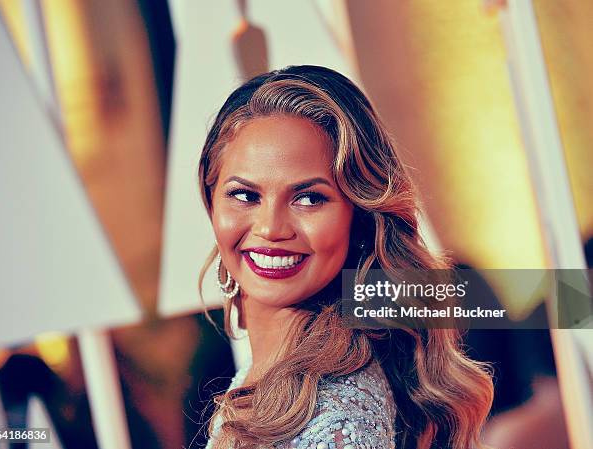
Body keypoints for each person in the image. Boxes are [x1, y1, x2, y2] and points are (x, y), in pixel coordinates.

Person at [197, 65, 493, 449]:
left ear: (360, 218)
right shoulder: (273, 375)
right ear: (211, 200)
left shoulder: (338, 419)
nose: (271, 228)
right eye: (244, 195)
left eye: (309, 198)